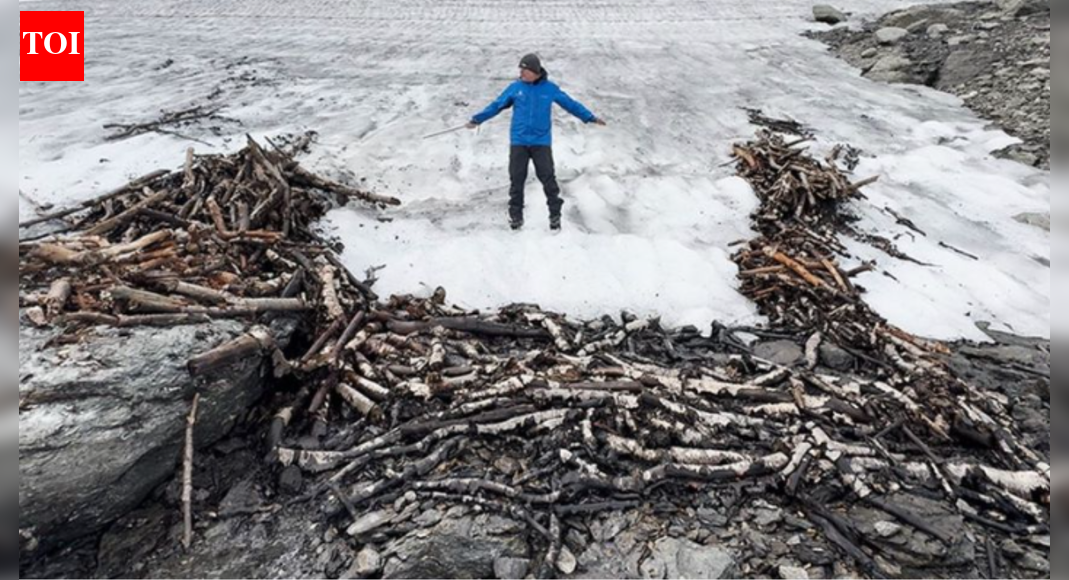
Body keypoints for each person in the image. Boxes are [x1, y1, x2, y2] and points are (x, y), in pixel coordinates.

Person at [468, 54, 606, 231]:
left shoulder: (549, 89)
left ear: (534, 71)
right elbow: (497, 105)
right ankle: (516, 218)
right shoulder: (515, 88)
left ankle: (555, 216)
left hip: (541, 142)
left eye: (524, 70)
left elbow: (571, 104)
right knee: (517, 180)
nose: (521, 73)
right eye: (520, 70)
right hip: (519, 141)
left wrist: (589, 117)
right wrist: (477, 119)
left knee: (548, 179)